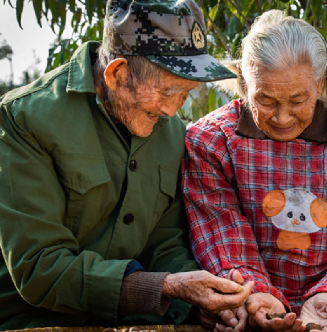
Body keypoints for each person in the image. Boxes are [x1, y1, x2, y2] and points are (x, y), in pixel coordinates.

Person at [0, 0, 254, 330]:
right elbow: (38, 268)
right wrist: (163, 287)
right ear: (117, 74)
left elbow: (164, 242)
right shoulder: (24, 119)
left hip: (134, 320)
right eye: (168, 92)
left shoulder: (174, 133)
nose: (173, 111)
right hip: (30, 322)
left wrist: (198, 301)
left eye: (186, 94)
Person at [182, 9, 327, 332]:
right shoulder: (211, 141)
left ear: (320, 85)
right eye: (265, 99)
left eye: (297, 99)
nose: (282, 117)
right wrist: (257, 295)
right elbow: (223, 241)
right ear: (244, 83)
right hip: (253, 315)